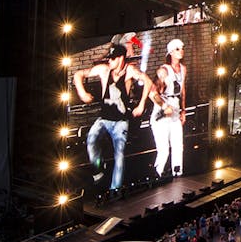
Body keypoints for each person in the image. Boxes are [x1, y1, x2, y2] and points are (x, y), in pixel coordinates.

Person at [74, 42, 152, 193]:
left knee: (119, 155)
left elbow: (147, 82)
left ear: (121, 58)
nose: (109, 61)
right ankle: (98, 170)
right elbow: (79, 74)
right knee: (91, 140)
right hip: (104, 118)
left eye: (113, 58)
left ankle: (115, 189)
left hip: (120, 122)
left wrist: (141, 104)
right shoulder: (104, 70)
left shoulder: (129, 70)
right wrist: (82, 93)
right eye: (109, 58)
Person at [152, 38, 188, 179]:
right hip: (162, 113)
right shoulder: (164, 70)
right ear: (171, 52)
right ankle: (157, 175)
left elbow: (183, 91)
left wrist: (183, 111)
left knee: (178, 146)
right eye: (178, 49)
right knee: (164, 150)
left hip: (175, 110)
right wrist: (164, 106)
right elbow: (153, 93)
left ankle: (178, 173)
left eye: (182, 48)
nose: (181, 51)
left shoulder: (183, 69)